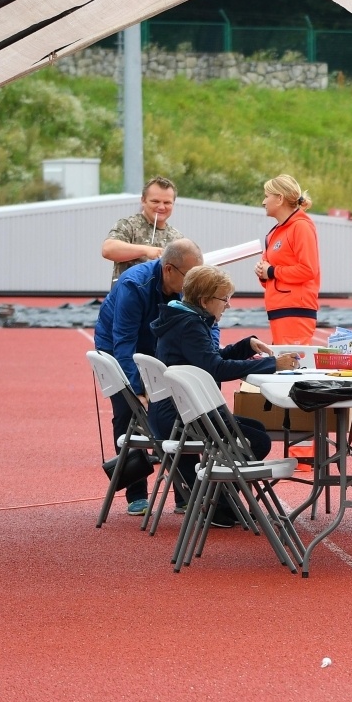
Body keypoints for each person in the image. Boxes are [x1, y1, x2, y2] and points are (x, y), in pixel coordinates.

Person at [149, 265, 298, 527]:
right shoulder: (190, 326)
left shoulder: (182, 318)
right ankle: (219, 506)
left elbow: (208, 358)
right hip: (182, 415)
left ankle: (221, 505)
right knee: (257, 440)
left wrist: (244, 346)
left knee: (253, 428)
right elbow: (215, 367)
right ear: (205, 300)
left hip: (175, 409)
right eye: (224, 299)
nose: (228, 306)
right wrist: (272, 364)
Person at [93, 238, 203, 515]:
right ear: (168, 270)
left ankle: (185, 493)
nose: (193, 283)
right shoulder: (134, 285)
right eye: (189, 276)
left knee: (178, 411)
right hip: (118, 345)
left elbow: (203, 324)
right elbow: (123, 342)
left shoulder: (185, 287)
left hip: (156, 345)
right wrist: (136, 391)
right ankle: (136, 494)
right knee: (127, 412)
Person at [254, 175, 321, 346]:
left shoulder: (301, 227)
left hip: (295, 311)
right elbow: (269, 276)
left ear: (279, 199)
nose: (263, 201)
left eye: (267, 196)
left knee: (292, 366)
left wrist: (271, 271)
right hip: (279, 309)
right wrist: (263, 273)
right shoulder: (275, 232)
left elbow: (308, 270)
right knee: (283, 365)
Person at [102, 177, 185, 284]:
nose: (161, 207)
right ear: (143, 201)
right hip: (129, 297)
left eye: (167, 202)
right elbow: (108, 249)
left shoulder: (177, 238)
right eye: (155, 201)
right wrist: (146, 251)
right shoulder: (128, 225)